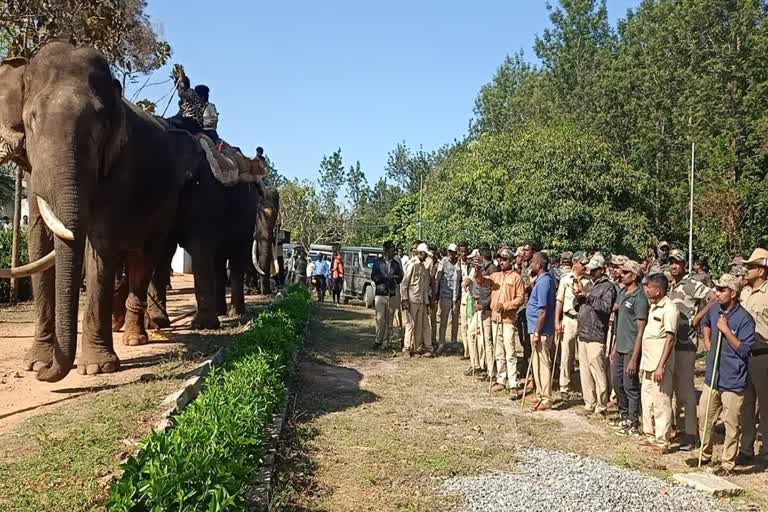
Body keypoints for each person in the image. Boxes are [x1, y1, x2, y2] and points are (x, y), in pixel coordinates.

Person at [688, 273, 755, 475]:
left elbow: (744, 350)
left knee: (731, 423)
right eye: (716, 288)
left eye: (721, 289)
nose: (716, 292)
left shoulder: (745, 319)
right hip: (712, 376)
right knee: (704, 416)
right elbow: (705, 323)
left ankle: (727, 464)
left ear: (732, 293)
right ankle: (704, 454)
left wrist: (726, 330)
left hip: (733, 379)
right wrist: (707, 341)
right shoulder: (715, 308)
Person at [667, 249, 710, 451]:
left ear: (685, 265)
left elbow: (714, 297)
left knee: (686, 391)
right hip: (672, 344)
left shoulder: (692, 284)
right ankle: (675, 428)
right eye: (671, 262)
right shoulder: (670, 285)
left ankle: (692, 434)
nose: (674, 265)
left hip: (686, 344)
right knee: (674, 389)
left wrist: (699, 317)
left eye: (677, 262)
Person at [474, 247, 525, 398]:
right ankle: (501, 379)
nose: (501, 262)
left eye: (504, 259)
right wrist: (477, 270)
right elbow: (481, 281)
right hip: (496, 319)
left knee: (510, 352)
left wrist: (506, 305)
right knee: (499, 351)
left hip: (508, 319)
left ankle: (513, 383)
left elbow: (520, 298)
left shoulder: (516, 277)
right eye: (500, 259)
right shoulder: (496, 275)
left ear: (511, 260)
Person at [639, 274, 678, 453]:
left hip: (659, 364)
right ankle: (650, 435)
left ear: (659, 290)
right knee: (647, 400)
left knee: (661, 402)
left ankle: (663, 440)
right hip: (647, 362)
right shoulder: (653, 306)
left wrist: (661, 365)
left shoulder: (669, 309)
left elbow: (670, 339)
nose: (647, 289)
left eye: (651, 287)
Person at [575, 254, 617, 417]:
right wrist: (579, 299)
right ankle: (589, 403)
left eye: (594, 270)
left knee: (598, 371)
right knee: (584, 371)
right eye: (590, 270)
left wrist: (589, 297)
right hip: (583, 332)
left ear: (601, 270)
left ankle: (601, 405)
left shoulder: (608, 287)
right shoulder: (591, 285)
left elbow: (606, 307)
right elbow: (583, 306)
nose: (591, 273)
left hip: (596, 333)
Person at [610, 260, 649, 436]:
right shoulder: (622, 293)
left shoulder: (640, 298)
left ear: (634, 276)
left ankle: (633, 421)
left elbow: (641, 329)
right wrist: (613, 347)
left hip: (631, 348)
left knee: (630, 385)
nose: (621, 274)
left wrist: (635, 357)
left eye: (625, 272)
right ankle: (623, 414)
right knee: (616, 382)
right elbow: (619, 324)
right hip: (619, 346)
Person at [737, 248, 768, 466]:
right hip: (743, 354)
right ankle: (746, 449)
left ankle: (766, 451)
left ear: (762, 270)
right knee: (745, 405)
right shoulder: (744, 292)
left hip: (763, 353)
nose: (746, 270)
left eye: (751, 267)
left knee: (765, 407)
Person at [526, 252, 557, 410]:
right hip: (536, 329)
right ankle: (539, 394)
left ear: (539, 265)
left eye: (533, 262)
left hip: (542, 332)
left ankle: (546, 399)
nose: (531, 264)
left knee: (543, 364)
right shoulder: (539, 281)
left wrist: (537, 332)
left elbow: (543, 311)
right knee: (536, 363)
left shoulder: (545, 282)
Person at [555, 251, 588, 401]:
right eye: (582, 263)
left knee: (582, 355)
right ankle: (564, 385)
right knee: (566, 353)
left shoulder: (589, 281)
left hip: (582, 319)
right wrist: (557, 320)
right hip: (568, 318)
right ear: (575, 262)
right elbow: (559, 301)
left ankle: (583, 385)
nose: (585, 266)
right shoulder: (565, 280)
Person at [467, 248, 497, 378]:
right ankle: (477, 365)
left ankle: (490, 371)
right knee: (472, 333)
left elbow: (493, 292)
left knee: (487, 340)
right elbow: (477, 283)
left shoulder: (492, 270)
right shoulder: (480, 270)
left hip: (487, 309)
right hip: (479, 308)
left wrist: (484, 304)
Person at [401, 243, 433, 357]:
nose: (426, 257)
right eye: (425, 255)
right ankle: (407, 347)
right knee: (410, 324)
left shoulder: (423, 267)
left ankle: (416, 347)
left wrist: (427, 302)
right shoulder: (412, 265)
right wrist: (404, 299)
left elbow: (425, 287)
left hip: (421, 300)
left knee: (420, 325)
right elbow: (404, 283)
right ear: (421, 253)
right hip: (412, 299)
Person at [371, 241, 404, 350]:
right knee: (380, 318)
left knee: (390, 318)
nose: (394, 252)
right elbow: (373, 277)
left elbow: (400, 277)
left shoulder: (395, 263)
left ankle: (386, 342)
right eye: (392, 249)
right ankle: (378, 340)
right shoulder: (378, 262)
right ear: (386, 250)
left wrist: (395, 278)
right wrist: (384, 278)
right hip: (381, 293)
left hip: (392, 293)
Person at [435, 243, 462, 352]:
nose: (452, 254)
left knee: (455, 321)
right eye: (450, 252)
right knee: (443, 320)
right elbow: (438, 278)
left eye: (454, 252)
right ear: (448, 252)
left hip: (456, 296)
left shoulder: (458, 264)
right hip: (445, 295)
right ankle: (441, 342)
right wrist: (436, 293)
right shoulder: (443, 262)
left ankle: (453, 342)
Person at [457, 241, 472, 359]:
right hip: (462, 299)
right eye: (461, 251)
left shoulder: (471, 264)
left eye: (465, 251)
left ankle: (471, 352)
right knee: (463, 327)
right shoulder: (458, 264)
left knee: (470, 327)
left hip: (471, 300)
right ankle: (466, 351)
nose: (463, 254)